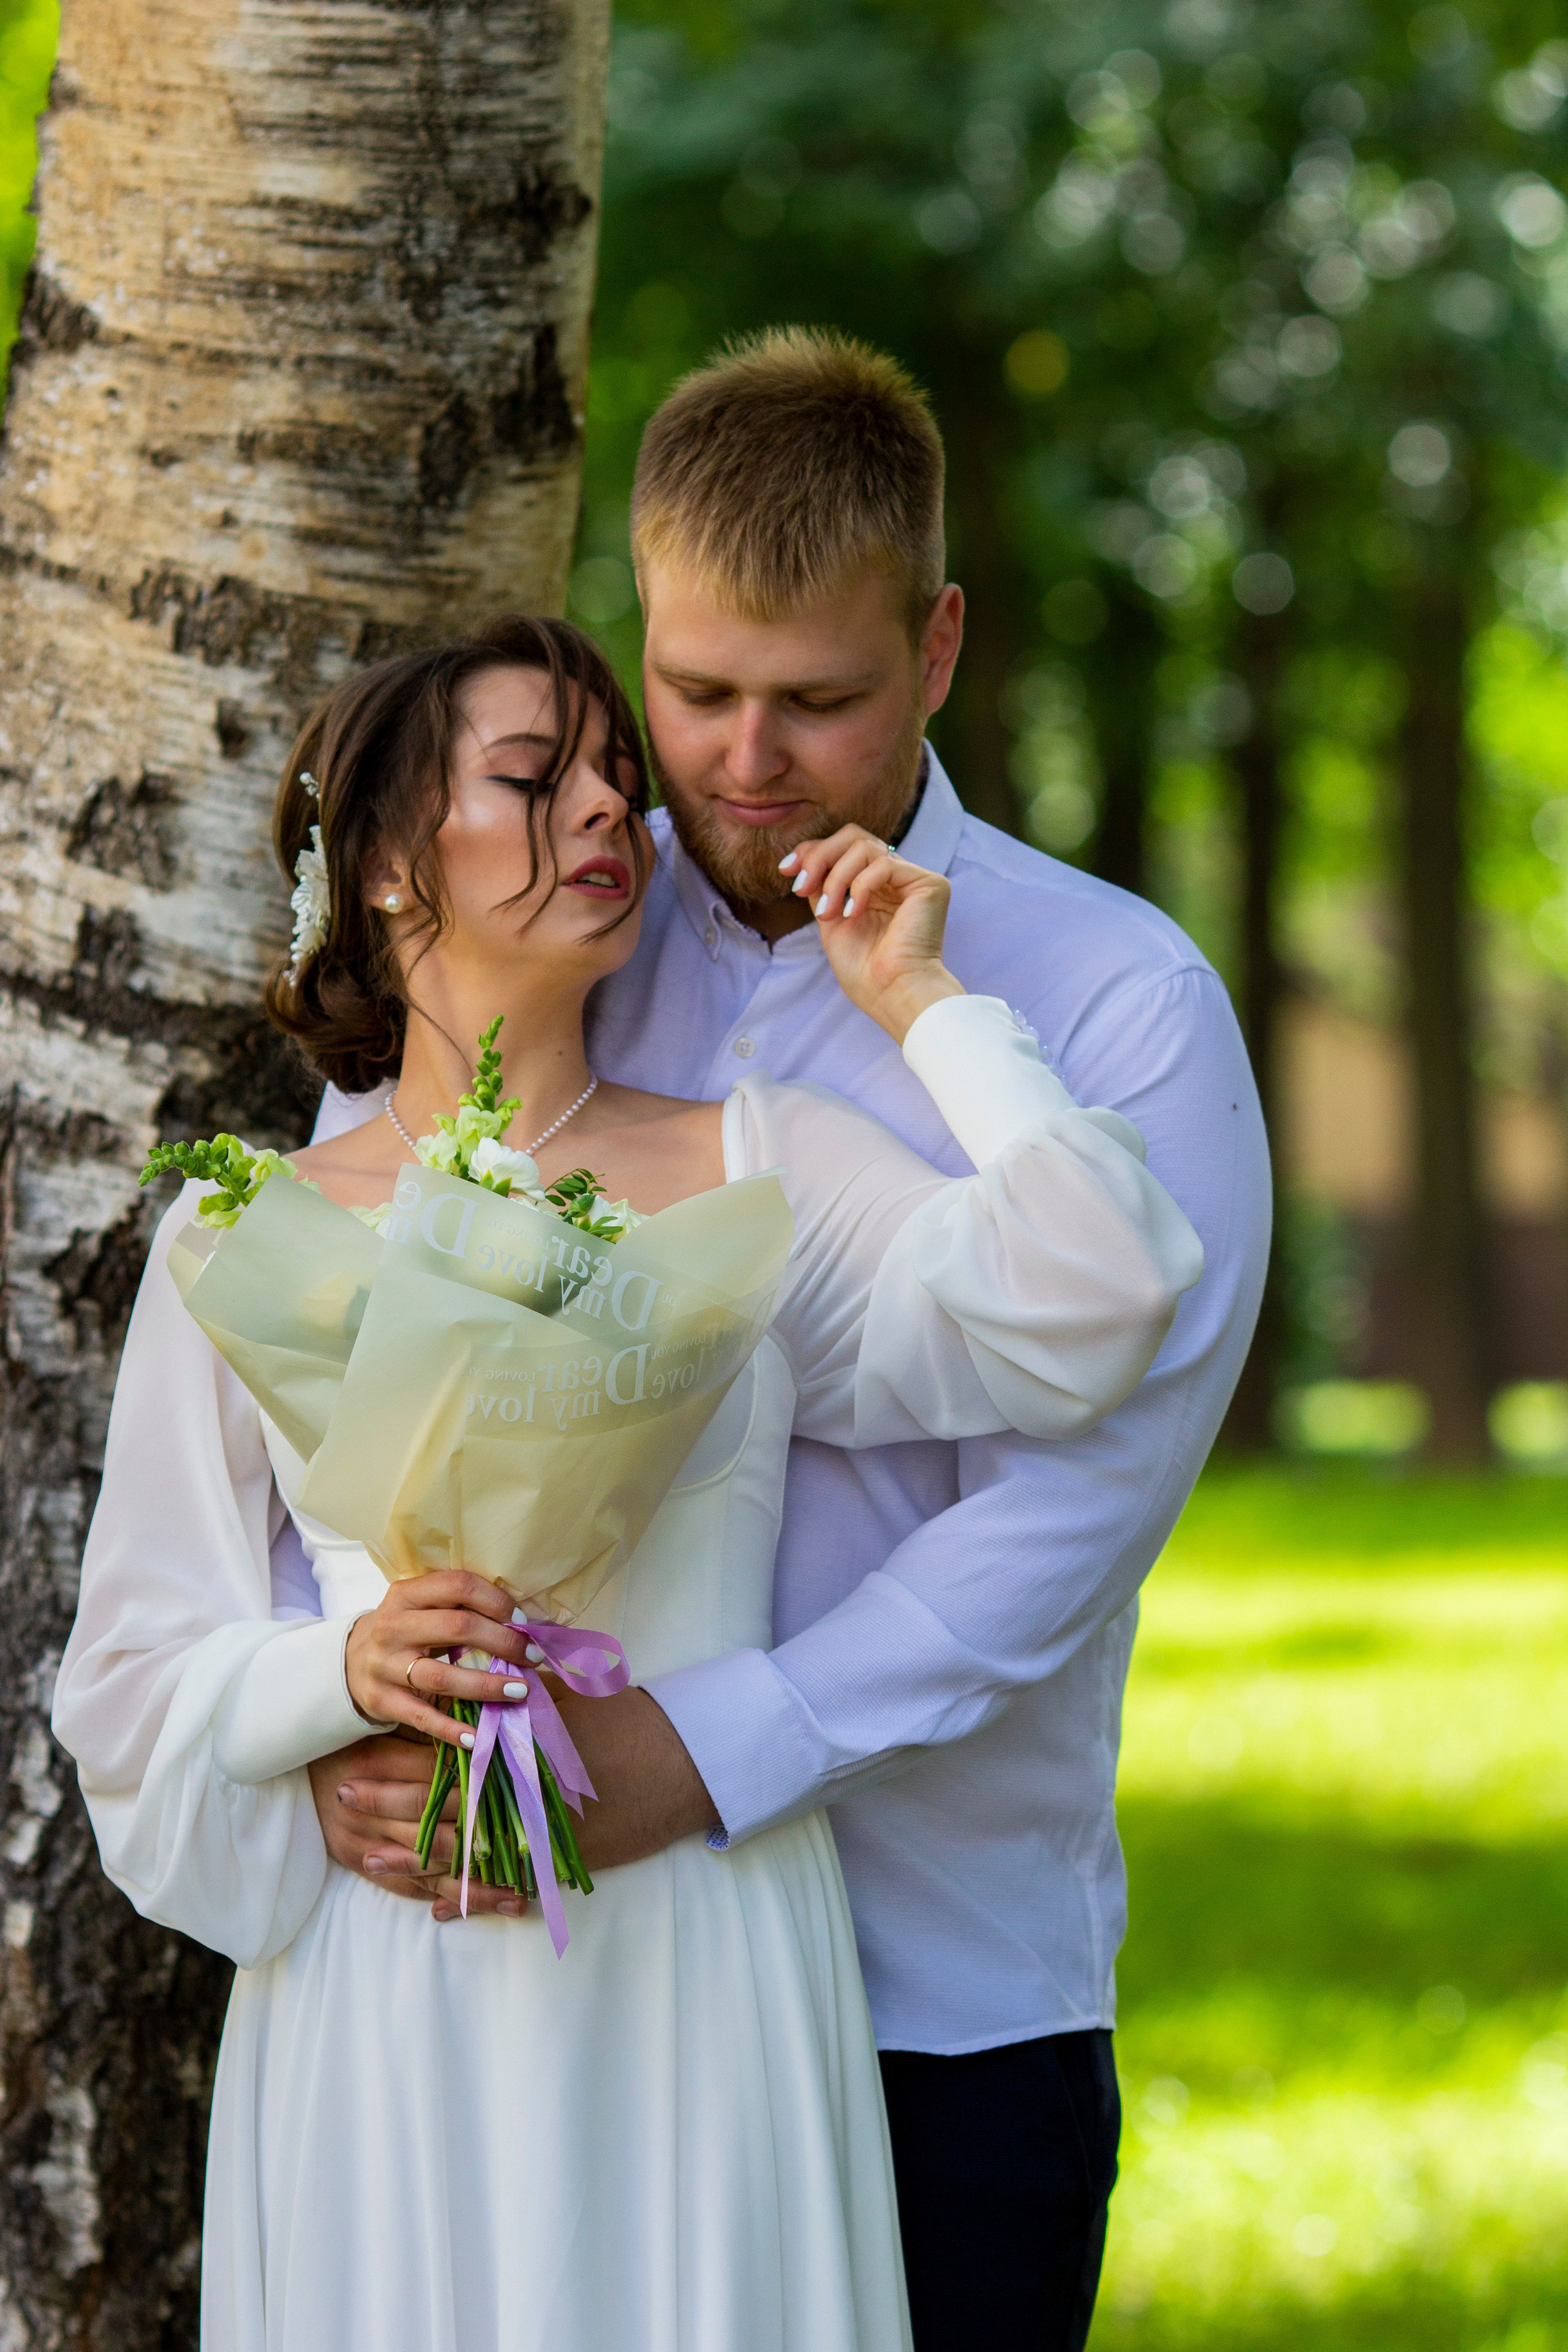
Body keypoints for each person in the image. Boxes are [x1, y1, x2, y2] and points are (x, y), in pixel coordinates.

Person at [53, 612, 1202, 2352]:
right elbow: (130, 1685)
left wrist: (927, 1004)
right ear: (387, 863)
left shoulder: (762, 1167)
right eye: (537, 779)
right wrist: (335, 1682)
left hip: (697, 1951)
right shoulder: (241, 1237)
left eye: (610, 768)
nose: (612, 808)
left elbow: (1102, 1289)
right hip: (390, 1983)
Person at [308, 333, 1272, 2350]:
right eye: (694, 691)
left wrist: (696, 1757)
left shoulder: (1123, 1001)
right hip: (527, 1977)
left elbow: (1074, 1517)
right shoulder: (530, 918)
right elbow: (324, 1358)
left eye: (817, 703)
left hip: (941, 1991)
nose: (744, 761)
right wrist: (324, 1722)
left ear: (936, 648)